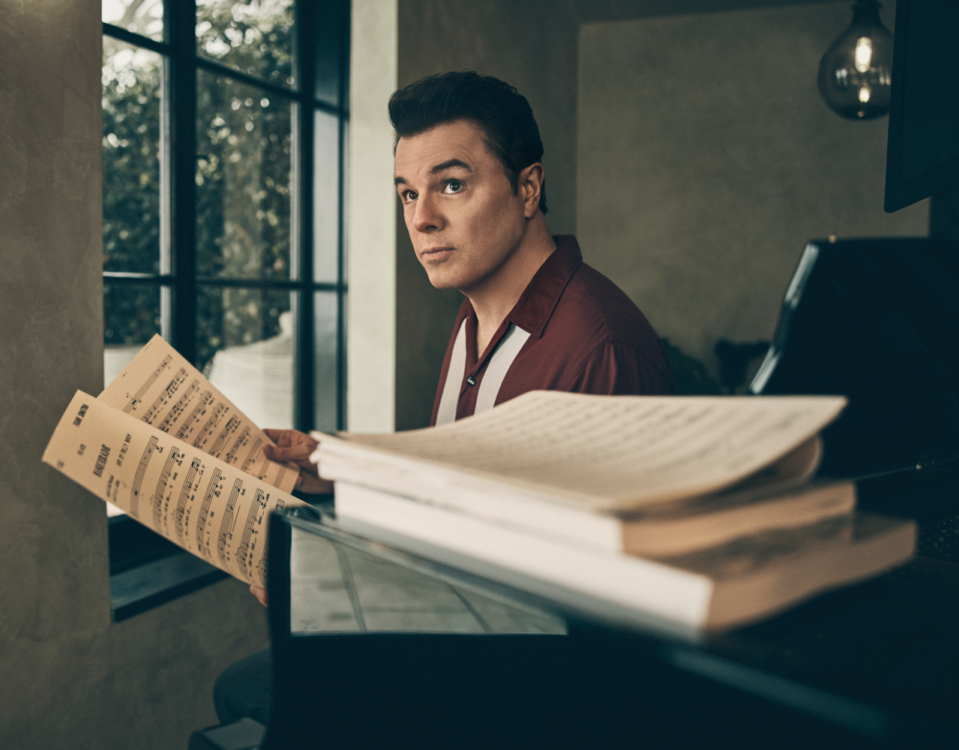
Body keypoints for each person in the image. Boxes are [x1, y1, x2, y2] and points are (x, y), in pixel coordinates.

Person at [213, 70, 674, 727]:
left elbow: (600, 614)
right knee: (249, 688)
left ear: (528, 188)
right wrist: (338, 480)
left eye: (451, 185)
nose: (421, 218)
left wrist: (344, 589)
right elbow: (462, 506)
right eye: (407, 194)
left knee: (267, 696)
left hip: (536, 687)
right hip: (465, 632)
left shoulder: (599, 346)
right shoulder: (469, 319)